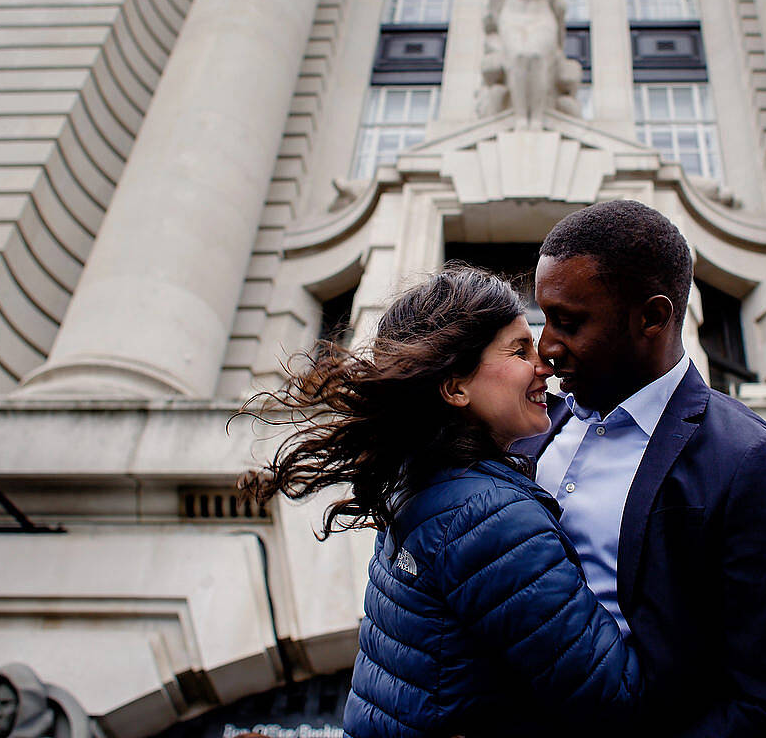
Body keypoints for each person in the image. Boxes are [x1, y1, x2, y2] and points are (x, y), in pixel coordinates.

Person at [239, 266, 642, 738]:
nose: (545, 365)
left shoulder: (424, 483)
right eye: (519, 349)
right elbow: (612, 696)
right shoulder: (488, 515)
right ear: (455, 388)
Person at [524, 199, 766, 738]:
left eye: (568, 322)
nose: (546, 348)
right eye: (545, 319)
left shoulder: (754, 465)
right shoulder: (531, 429)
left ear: (653, 318)